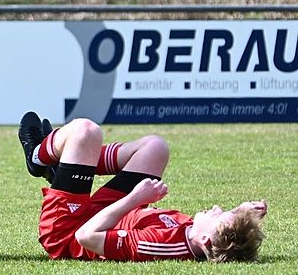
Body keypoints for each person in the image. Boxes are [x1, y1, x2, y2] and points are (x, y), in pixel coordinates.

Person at [15, 111, 267, 262]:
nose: (217, 208)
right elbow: (221, 237)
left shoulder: (161, 244)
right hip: (106, 214)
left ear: (205, 239)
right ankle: (65, 164)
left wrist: (135, 198)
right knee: (155, 148)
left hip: (68, 229)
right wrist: (240, 212)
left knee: (86, 131)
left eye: (220, 215)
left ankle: (37, 157)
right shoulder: (195, 235)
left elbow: (86, 236)